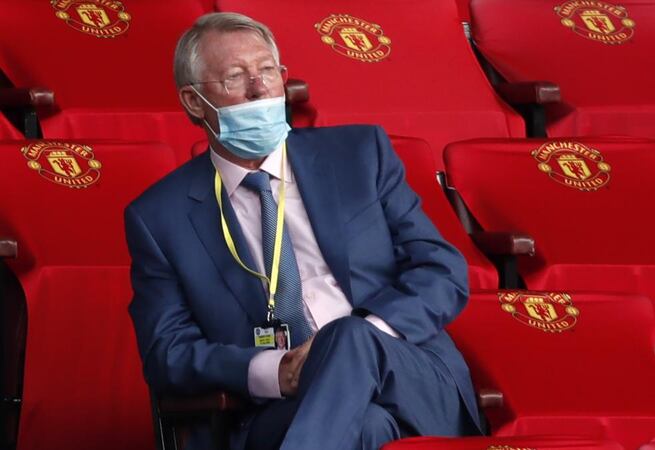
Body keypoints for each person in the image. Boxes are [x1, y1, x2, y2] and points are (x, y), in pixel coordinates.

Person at [124, 12, 481, 450]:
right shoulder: (161, 215)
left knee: (348, 336)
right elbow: (168, 353)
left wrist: (365, 335)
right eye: (236, 77)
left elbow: (442, 269)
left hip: (409, 375)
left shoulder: (359, 155)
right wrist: (275, 371)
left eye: (268, 71)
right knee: (367, 428)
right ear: (195, 102)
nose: (260, 89)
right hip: (282, 408)